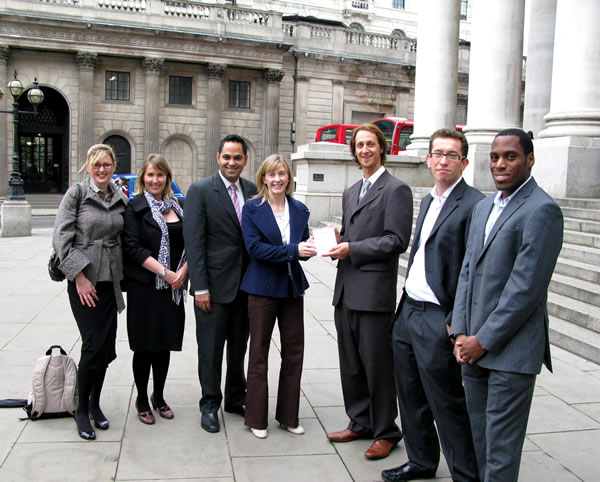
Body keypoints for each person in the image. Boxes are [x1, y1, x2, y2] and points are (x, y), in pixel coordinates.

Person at [450, 128, 564, 481]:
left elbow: (525, 289)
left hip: (509, 353)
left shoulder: (542, 210)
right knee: (481, 444)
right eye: (495, 157)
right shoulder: (484, 206)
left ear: (530, 159)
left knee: (501, 454)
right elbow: (467, 271)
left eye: (510, 156)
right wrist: (461, 331)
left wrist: (482, 341)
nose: (500, 164)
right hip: (472, 349)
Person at [382, 129, 483, 482]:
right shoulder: (427, 199)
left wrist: (457, 322)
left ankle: (466, 474)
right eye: (437, 154)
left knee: (447, 402)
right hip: (409, 310)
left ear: (464, 162)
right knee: (410, 396)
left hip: (439, 317)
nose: (442, 160)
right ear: (428, 159)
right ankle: (421, 461)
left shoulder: (474, 205)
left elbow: (473, 270)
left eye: (451, 155)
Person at [325, 123, 412, 460]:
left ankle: (386, 431)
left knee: (377, 366)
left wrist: (352, 248)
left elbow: (396, 240)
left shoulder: (396, 190)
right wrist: (338, 240)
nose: (364, 150)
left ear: (381, 148)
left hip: (374, 294)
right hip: (346, 290)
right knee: (351, 364)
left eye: (370, 145)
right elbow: (353, 233)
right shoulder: (351, 192)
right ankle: (359, 421)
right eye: (359, 145)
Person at [52, 144, 128, 440]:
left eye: (107, 164)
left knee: (106, 347)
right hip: (84, 279)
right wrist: (79, 277)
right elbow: (61, 238)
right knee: (92, 344)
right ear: (88, 166)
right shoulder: (77, 194)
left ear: (113, 165)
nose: (102, 169)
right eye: (96, 165)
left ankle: (96, 403)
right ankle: (81, 409)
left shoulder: (120, 197)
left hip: (110, 280)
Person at [183, 134, 258, 433]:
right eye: (226, 157)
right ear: (218, 158)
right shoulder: (200, 191)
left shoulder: (252, 190)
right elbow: (194, 242)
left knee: (239, 348)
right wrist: (200, 286)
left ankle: (235, 398)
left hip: (245, 286)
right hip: (212, 288)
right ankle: (210, 404)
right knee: (211, 350)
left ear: (245, 160)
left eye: (237, 157)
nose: (232, 162)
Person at [240, 154, 316, 439]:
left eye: (282, 174)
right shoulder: (252, 210)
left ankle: (288, 416)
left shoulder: (300, 209)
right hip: (262, 289)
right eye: (271, 174)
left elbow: (302, 248)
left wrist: (310, 248)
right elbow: (255, 249)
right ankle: (256, 418)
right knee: (258, 353)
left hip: (292, 288)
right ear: (263, 179)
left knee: (294, 353)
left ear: (289, 178)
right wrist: (294, 251)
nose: (277, 179)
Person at [123, 154, 188, 425]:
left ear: (167, 177)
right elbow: (133, 247)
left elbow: (192, 243)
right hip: (146, 288)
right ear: (143, 178)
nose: (155, 180)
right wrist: (165, 272)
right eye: (150, 175)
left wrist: (184, 271)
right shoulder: (135, 207)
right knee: (145, 347)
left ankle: (158, 396)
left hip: (174, 289)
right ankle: (141, 398)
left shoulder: (179, 206)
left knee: (164, 346)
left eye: (159, 175)